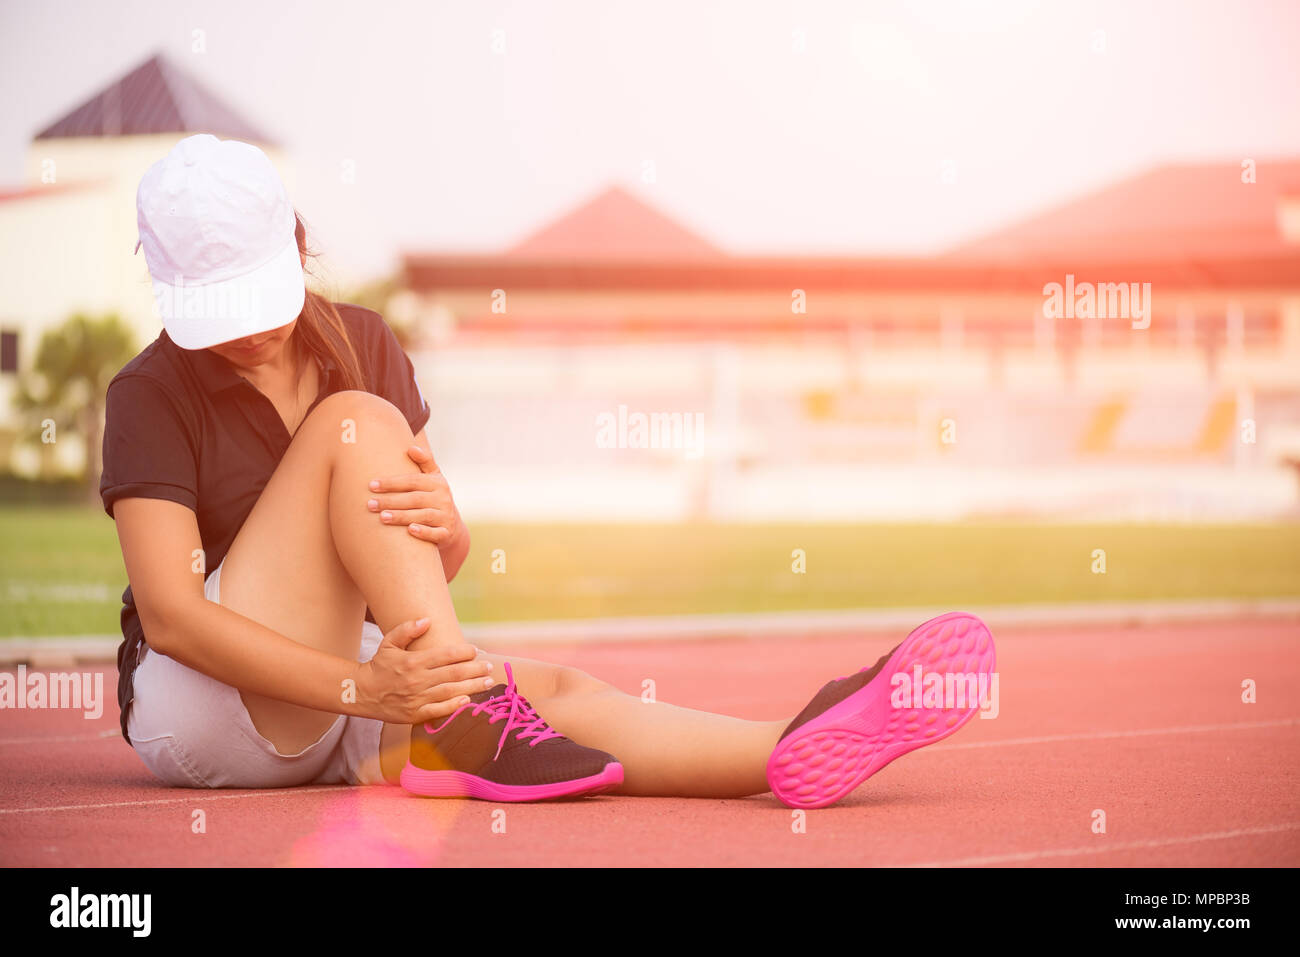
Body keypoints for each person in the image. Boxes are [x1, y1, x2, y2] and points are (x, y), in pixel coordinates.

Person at [101, 133, 995, 808]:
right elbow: (175, 619)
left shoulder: (364, 341)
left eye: (255, 294)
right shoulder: (150, 392)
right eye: (215, 310)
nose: (246, 330)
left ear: (295, 244)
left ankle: (789, 743)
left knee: (564, 692)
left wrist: (445, 531)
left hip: (342, 688)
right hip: (206, 703)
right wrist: (368, 686)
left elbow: (426, 576)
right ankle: (459, 723)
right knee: (351, 428)